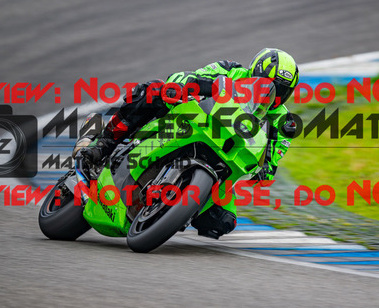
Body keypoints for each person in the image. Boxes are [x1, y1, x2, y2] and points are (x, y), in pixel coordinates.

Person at [80, 48, 299, 239]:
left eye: (282, 91)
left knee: (224, 221)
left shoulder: (282, 119)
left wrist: (266, 169)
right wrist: (182, 85)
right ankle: (104, 143)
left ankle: (172, 209)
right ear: (255, 73)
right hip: (194, 118)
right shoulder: (231, 70)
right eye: (271, 86)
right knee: (153, 91)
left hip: (228, 152)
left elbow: (274, 154)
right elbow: (194, 75)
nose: (275, 95)